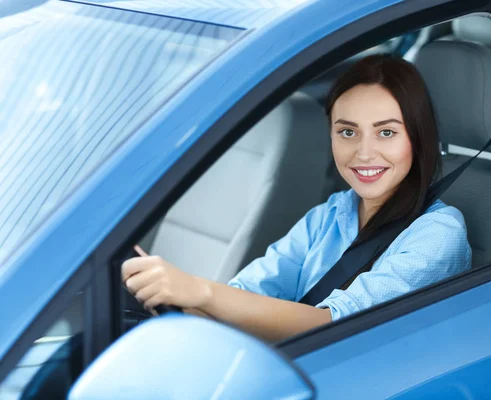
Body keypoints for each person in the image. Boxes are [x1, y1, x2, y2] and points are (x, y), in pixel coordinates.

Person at [122, 54, 472, 342]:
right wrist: (172, 298)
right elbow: (253, 289)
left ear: (418, 138)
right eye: (347, 132)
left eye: (386, 132)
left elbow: (337, 325)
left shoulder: (439, 233)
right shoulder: (332, 213)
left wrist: (201, 293)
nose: (364, 153)